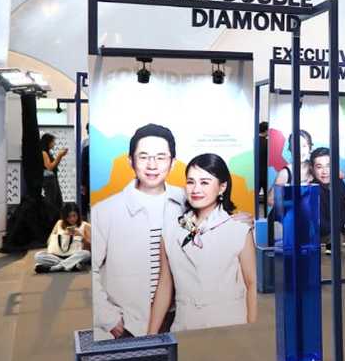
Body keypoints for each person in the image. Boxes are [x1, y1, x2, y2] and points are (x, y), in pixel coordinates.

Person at [91, 124, 186, 340]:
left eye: (161, 157)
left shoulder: (187, 201)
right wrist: (109, 318)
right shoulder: (105, 211)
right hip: (129, 325)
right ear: (130, 161)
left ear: (173, 162)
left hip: (179, 318)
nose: (152, 165)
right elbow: (91, 269)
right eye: (144, 157)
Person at [150, 153, 256, 333]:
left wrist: (252, 330)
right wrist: (150, 335)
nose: (196, 189)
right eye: (191, 182)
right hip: (186, 326)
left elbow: (252, 284)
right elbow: (165, 285)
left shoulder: (239, 229)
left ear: (222, 187)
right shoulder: (170, 230)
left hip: (231, 327)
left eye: (205, 182)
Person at [311, 148, 345, 255]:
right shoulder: (313, 190)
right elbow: (320, 224)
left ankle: (331, 245)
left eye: (328, 166)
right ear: (312, 169)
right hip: (323, 234)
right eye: (319, 167)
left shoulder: (339, 183)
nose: (325, 171)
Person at [34, 204, 91, 273]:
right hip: (57, 254)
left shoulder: (85, 225)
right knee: (38, 255)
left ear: (78, 215)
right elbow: (49, 241)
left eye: (74, 215)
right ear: (64, 217)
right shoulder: (59, 223)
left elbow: (91, 247)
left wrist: (81, 236)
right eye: (69, 217)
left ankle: (54, 268)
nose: (72, 219)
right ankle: (71, 265)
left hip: (74, 254)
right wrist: (62, 236)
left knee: (86, 254)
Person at [41, 133, 68, 219]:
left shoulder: (48, 152)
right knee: (51, 201)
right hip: (48, 179)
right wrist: (59, 156)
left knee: (57, 200)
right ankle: (50, 219)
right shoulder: (43, 153)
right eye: (53, 142)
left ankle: (57, 219)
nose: (54, 143)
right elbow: (49, 167)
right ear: (48, 142)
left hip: (52, 178)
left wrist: (61, 156)